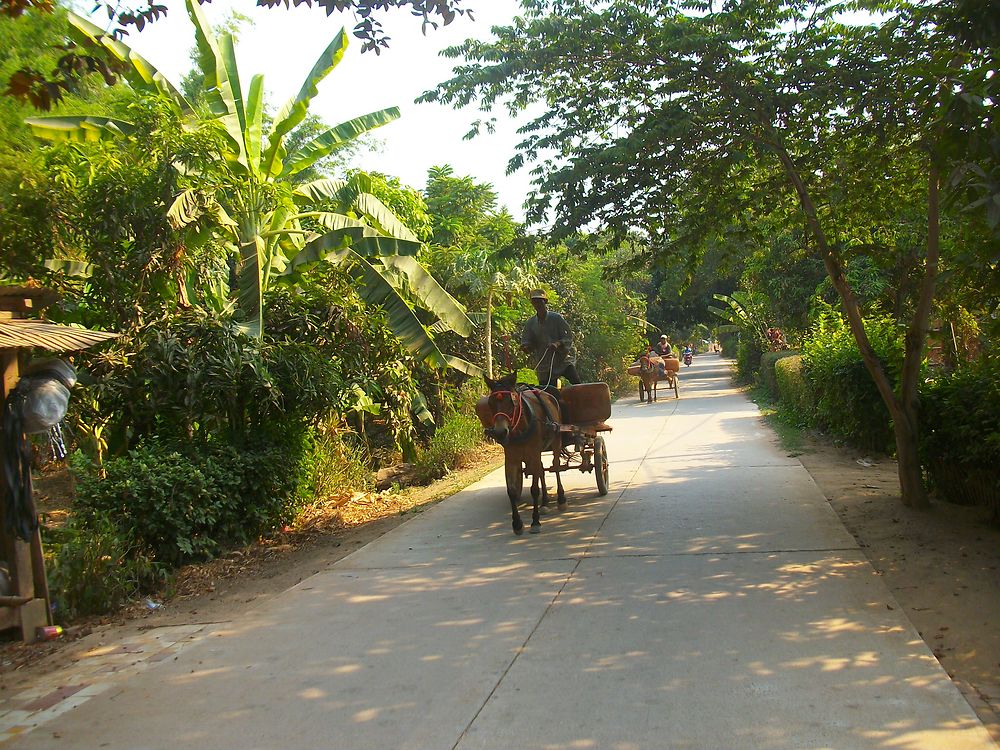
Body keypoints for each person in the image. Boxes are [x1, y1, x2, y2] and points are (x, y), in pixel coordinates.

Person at [520, 289, 581, 387]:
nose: (538, 304)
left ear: (545, 302)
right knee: (547, 392)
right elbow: (527, 342)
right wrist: (526, 348)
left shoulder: (556, 318)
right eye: (535, 302)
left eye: (540, 301)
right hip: (545, 365)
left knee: (577, 383)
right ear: (532, 303)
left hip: (562, 360)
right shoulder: (530, 323)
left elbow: (568, 336)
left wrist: (557, 344)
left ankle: (582, 400)